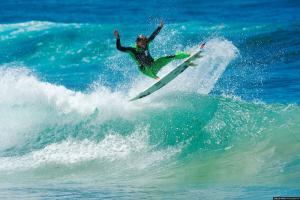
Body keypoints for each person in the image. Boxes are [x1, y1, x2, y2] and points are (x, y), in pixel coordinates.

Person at [114, 20, 190, 80]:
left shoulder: (146, 43)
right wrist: (118, 39)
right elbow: (119, 48)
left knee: (170, 57)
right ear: (137, 42)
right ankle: (156, 78)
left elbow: (153, 35)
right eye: (142, 41)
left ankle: (188, 55)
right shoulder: (133, 50)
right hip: (145, 69)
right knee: (147, 65)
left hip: (154, 64)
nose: (144, 43)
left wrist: (160, 27)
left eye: (144, 41)